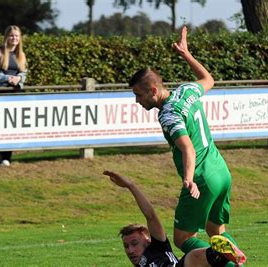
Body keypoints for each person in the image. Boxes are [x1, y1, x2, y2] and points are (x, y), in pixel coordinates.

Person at [128, 26, 245, 261]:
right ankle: (232, 259)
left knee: (183, 238)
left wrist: (189, 179)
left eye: (139, 95)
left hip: (201, 177)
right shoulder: (187, 90)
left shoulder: (168, 114)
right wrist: (187, 54)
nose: (137, 101)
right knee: (216, 232)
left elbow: (187, 147)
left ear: (153, 90)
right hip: (221, 171)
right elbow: (208, 79)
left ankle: (227, 263)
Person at [103, 170, 246, 267]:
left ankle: (221, 254)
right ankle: (222, 255)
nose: (130, 250)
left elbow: (150, 215)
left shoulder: (157, 246)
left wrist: (130, 186)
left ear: (147, 239)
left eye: (134, 243)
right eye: (126, 246)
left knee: (192, 257)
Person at [0, 25, 27, 168]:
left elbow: (24, 74)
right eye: (11, 35)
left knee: (11, 126)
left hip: (14, 95)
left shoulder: (21, 55)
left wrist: (19, 79)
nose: (14, 38)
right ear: (6, 37)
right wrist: (7, 78)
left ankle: (6, 157)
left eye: (17, 36)